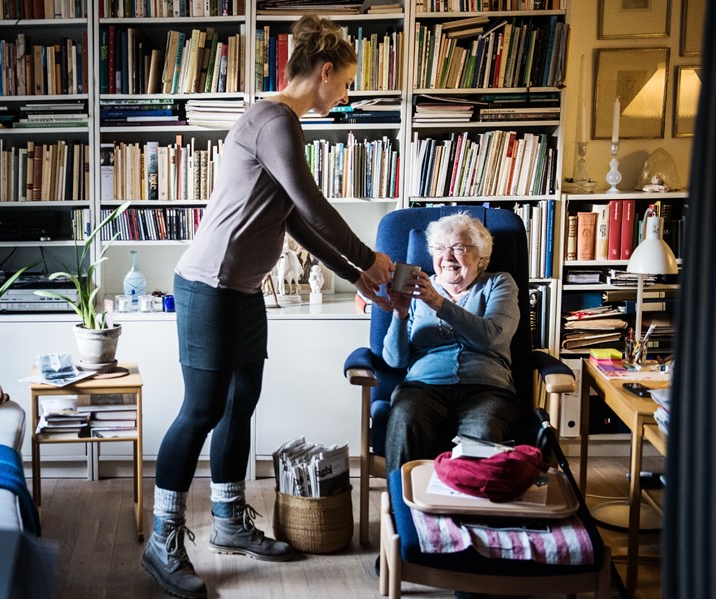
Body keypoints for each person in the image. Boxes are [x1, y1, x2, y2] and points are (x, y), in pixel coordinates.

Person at [140, 15, 394, 599]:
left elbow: (295, 223)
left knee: (240, 403)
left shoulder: (285, 126)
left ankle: (228, 522)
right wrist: (370, 259)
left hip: (244, 291)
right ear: (325, 72)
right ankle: (163, 539)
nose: (346, 95)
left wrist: (357, 275)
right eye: (346, 83)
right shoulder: (274, 120)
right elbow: (312, 203)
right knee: (201, 410)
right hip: (208, 286)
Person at [381, 213, 521, 474]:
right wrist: (399, 315)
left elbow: (492, 337)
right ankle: (402, 506)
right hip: (423, 388)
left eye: (458, 248)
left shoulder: (498, 284)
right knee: (405, 418)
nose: (447, 257)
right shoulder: (416, 290)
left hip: (486, 389)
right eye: (440, 248)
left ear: (481, 257)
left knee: (482, 433)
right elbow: (394, 360)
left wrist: (437, 303)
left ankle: (470, 511)